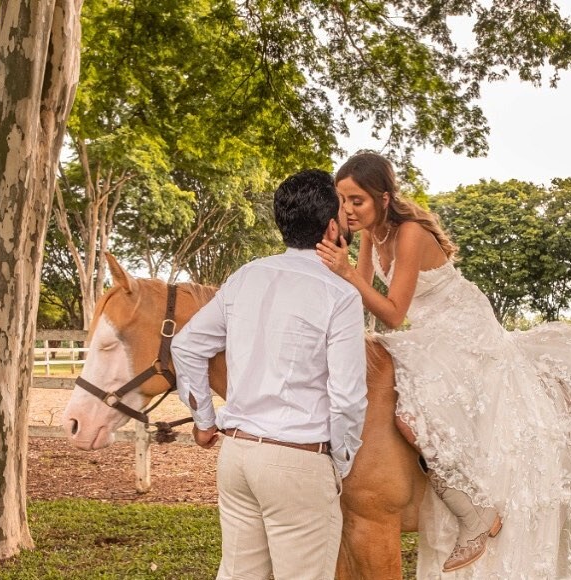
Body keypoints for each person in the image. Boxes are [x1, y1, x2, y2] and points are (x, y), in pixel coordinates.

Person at [316, 151, 571, 579]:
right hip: (430, 330)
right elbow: (364, 306)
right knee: (393, 379)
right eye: (341, 200)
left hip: (464, 329)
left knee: (416, 404)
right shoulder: (367, 236)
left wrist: (347, 275)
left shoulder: (410, 232)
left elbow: (394, 312)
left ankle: (473, 510)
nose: (347, 210)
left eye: (356, 200)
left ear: (383, 197)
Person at [171, 169, 368, 580]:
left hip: (237, 457)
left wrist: (204, 419)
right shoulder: (340, 295)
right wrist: (341, 460)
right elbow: (348, 396)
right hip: (298, 459)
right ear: (332, 228)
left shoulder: (245, 277)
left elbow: (186, 345)